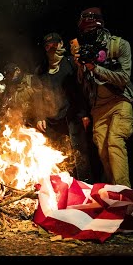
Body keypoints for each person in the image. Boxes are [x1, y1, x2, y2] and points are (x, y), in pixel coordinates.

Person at [72, 7, 133, 187]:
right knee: (102, 149)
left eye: (92, 30)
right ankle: (113, 192)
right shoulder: (84, 50)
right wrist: (80, 65)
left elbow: (124, 78)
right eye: (85, 31)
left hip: (119, 101)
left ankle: (124, 193)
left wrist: (95, 68)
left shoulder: (119, 45)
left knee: (114, 142)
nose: (89, 34)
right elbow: (82, 83)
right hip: (98, 108)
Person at [35, 32, 93, 182]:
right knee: (57, 153)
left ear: (61, 44)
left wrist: (84, 113)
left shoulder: (71, 63)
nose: (52, 48)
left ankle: (84, 184)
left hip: (73, 116)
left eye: (55, 45)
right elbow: (38, 95)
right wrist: (40, 116)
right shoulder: (41, 69)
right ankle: (64, 186)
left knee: (80, 152)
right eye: (48, 46)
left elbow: (82, 88)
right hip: (53, 120)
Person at [3, 62, 42, 127]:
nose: (10, 77)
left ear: (18, 70)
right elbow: (8, 101)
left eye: (11, 74)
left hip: (33, 121)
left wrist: (40, 118)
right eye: (8, 75)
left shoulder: (31, 80)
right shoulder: (10, 86)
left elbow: (40, 100)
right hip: (18, 121)